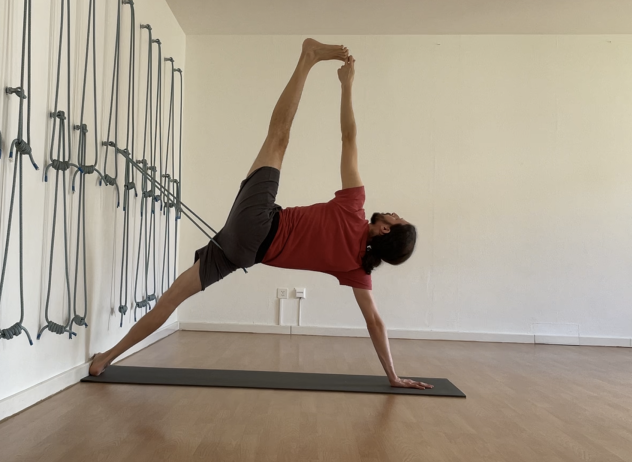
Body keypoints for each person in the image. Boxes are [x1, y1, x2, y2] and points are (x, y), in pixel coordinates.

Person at [89, 39, 430, 390]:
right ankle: (104, 360)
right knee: (171, 300)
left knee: (279, 137)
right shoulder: (357, 269)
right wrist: (392, 376)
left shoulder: (353, 206)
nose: (395, 213)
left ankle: (308, 57)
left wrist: (347, 86)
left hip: (259, 223)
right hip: (242, 254)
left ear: (386, 230)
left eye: (398, 219)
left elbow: (348, 137)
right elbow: (374, 321)